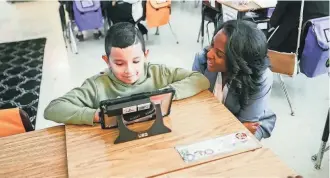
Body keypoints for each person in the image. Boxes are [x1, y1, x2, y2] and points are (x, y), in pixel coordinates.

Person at [44, 22, 210, 125]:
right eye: (119, 63)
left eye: (136, 61)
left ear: (146, 56)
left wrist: (166, 93)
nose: (129, 71)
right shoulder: (96, 86)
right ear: (106, 61)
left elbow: (200, 79)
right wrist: (95, 115)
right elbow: (53, 108)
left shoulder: (158, 72)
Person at [192, 20, 276, 140]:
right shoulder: (202, 60)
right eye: (212, 45)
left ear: (239, 62)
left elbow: (244, 132)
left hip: (240, 135)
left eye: (219, 54)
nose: (210, 54)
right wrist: (237, 127)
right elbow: (194, 106)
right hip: (211, 123)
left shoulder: (260, 77)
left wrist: (239, 128)